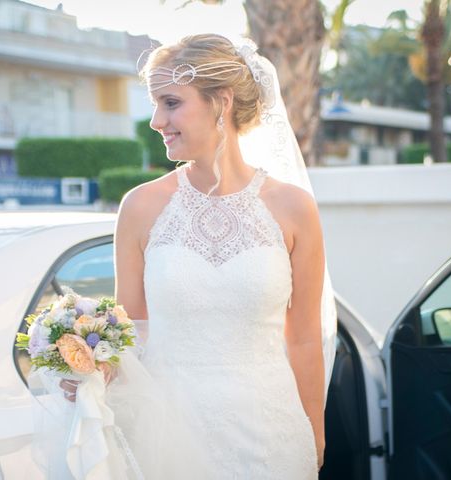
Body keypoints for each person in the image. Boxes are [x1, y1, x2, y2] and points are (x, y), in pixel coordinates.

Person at [55, 33, 337, 479]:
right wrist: (94, 369)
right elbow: (131, 328)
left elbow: (304, 337)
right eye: (155, 104)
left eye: (170, 102)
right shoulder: (140, 207)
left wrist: (315, 431)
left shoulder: (294, 208)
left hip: (270, 432)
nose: (154, 121)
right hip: (167, 434)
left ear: (221, 102)